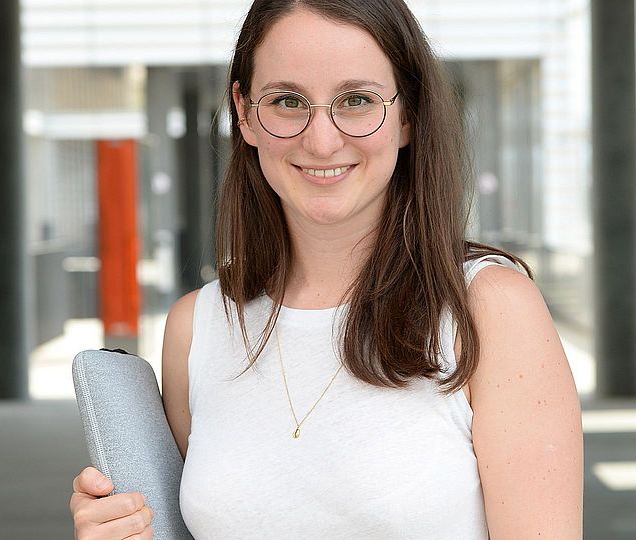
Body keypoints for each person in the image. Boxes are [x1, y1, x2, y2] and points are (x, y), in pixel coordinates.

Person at [70, 0, 583, 538]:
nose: (321, 140)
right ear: (244, 114)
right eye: (288, 101)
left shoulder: (490, 308)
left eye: (357, 100)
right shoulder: (198, 327)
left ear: (408, 114)